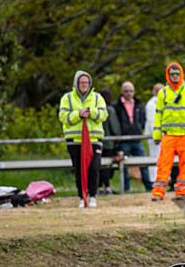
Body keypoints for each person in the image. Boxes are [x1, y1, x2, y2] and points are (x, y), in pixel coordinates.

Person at [151, 62, 185, 201]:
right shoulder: (163, 93)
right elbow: (158, 115)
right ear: (168, 75)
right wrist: (156, 135)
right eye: (172, 74)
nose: (174, 76)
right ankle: (158, 193)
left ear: (181, 74)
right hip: (169, 136)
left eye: (177, 74)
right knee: (163, 164)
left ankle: (181, 192)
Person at [58, 70, 107, 208]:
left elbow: (104, 114)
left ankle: (92, 196)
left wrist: (91, 112)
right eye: (81, 82)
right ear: (76, 83)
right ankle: (82, 197)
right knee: (79, 169)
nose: (84, 85)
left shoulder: (97, 97)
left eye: (86, 82)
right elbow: (63, 117)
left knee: (94, 168)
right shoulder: (67, 98)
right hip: (75, 140)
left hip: (94, 139)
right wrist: (77, 114)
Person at [114, 81, 151, 192]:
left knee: (143, 163)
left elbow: (142, 119)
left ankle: (149, 187)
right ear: (122, 92)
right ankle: (126, 188)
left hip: (137, 138)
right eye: (126, 91)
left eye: (131, 91)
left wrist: (140, 128)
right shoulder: (117, 106)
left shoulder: (138, 105)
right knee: (124, 165)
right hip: (124, 139)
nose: (129, 93)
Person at [98, 88, 120, 194]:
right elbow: (115, 127)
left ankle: (99, 186)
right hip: (108, 142)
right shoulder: (110, 110)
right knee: (107, 166)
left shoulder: (96, 109)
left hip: (97, 141)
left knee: (98, 165)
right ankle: (107, 187)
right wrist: (117, 137)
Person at [144, 83, 165, 179]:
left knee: (162, 157)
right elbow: (152, 121)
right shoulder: (152, 104)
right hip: (154, 136)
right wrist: (157, 136)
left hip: (162, 135)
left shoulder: (163, 102)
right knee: (154, 157)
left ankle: (162, 178)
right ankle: (154, 179)